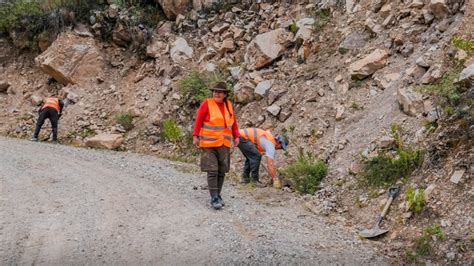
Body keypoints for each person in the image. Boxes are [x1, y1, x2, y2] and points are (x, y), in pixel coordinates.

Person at [193, 82, 240, 210]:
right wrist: (195, 135)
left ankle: (218, 194)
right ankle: (214, 197)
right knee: (212, 170)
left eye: (219, 92)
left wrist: (236, 136)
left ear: (225, 94)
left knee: (222, 171)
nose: (216, 93)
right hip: (209, 144)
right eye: (215, 91)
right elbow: (199, 120)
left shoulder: (229, 105)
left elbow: (233, 122)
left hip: (224, 143)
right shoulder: (207, 104)